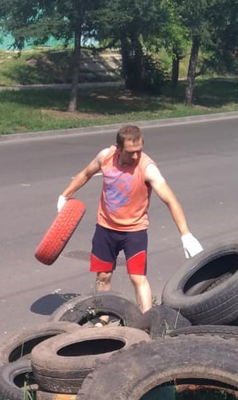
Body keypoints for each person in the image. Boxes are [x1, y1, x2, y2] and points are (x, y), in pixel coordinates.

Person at [58, 125, 202, 313]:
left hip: (134, 231)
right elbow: (85, 174)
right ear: (118, 148)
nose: (136, 156)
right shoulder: (105, 157)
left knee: (137, 277)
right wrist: (64, 195)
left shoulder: (147, 168)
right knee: (103, 275)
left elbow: (170, 200)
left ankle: (148, 320)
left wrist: (185, 234)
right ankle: (103, 317)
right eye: (131, 152)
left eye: (139, 151)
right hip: (105, 228)